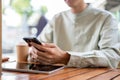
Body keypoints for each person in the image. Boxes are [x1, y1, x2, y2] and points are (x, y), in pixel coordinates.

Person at [28, 0, 120, 68]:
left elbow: (111, 57)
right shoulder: (57, 19)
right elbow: (40, 45)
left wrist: (66, 58)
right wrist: (35, 52)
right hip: (58, 76)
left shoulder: (106, 18)